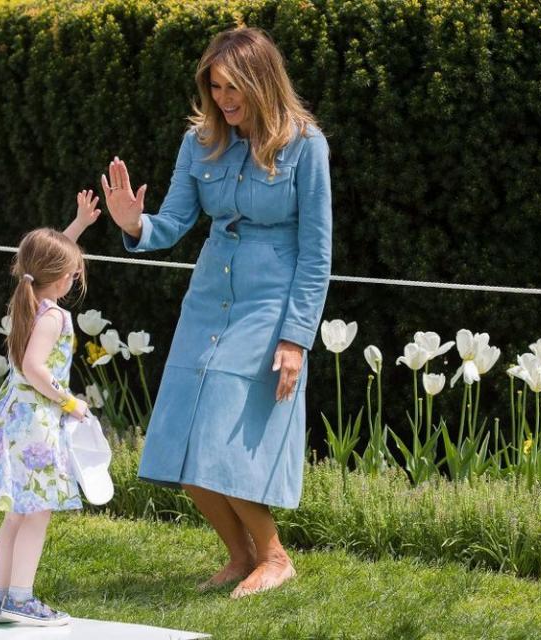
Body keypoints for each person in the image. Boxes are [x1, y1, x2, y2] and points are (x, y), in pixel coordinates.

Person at [101, 27, 331, 598]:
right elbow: (173, 223)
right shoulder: (199, 142)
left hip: (269, 304)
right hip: (208, 298)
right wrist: (134, 224)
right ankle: (238, 557)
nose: (225, 100)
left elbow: (317, 251)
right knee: (180, 435)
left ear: (262, 82)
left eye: (235, 88)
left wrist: (296, 337)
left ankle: (274, 557)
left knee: (221, 437)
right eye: (216, 87)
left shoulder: (306, 145)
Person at [0, 189, 102, 625]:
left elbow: (46, 258)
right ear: (64, 278)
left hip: (13, 414)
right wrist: (69, 401)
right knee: (37, 511)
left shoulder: (28, 296)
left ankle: (2, 598)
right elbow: (33, 367)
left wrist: (78, 225)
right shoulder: (54, 317)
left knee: (17, 512)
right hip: (35, 419)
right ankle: (22, 599)